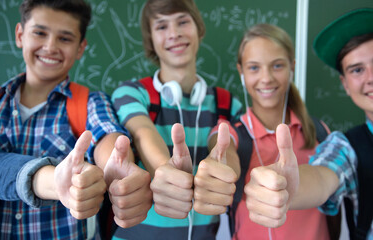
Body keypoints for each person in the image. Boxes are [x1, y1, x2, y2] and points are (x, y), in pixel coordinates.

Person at [0, 0, 151, 239]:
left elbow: (106, 134)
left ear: (81, 48)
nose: (50, 47)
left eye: (65, 38)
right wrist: (50, 179)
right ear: (20, 35)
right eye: (40, 33)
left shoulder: (90, 102)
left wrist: (119, 169)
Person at [111, 0, 242, 239]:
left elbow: (227, 146)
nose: (174, 33)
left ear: (199, 29)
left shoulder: (227, 103)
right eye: (161, 26)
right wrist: (165, 171)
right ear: (151, 40)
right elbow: (142, 132)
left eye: (183, 21)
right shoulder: (132, 93)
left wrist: (225, 170)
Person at [244, 8, 373, 240]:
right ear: (345, 84)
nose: (371, 77)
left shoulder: (317, 129)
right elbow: (323, 176)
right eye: (357, 69)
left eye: (277, 65)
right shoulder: (347, 148)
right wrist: (289, 187)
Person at [228, 23, 331, 240]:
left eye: (277, 66)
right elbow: (221, 154)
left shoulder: (319, 132)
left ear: (292, 67)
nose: (266, 78)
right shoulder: (232, 135)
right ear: (241, 72)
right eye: (254, 67)